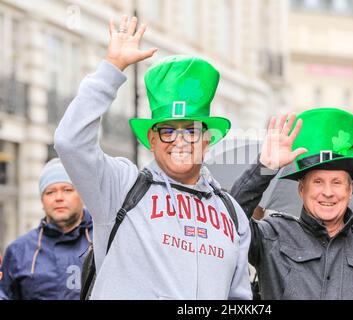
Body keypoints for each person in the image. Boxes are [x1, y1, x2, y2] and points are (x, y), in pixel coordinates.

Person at [54, 15, 251, 300]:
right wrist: (112, 69)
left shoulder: (231, 213)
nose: (180, 141)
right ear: (152, 139)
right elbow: (69, 142)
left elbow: (238, 299)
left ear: (208, 139)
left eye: (192, 130)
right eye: (168, 130)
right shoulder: (120, 187)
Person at [230, 108, 353, 299]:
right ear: (301, 189)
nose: (327, 192)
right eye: (317, 182)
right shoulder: (271, 237)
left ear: (350, 191)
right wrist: (265, 167)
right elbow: (231, 219)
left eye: (337, 182)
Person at [0, 158, 93, 300]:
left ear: (81, 195)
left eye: (67, 190)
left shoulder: (103, 242)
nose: (59, 197)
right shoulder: (18, 251)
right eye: (50, 192)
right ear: (42, 200)